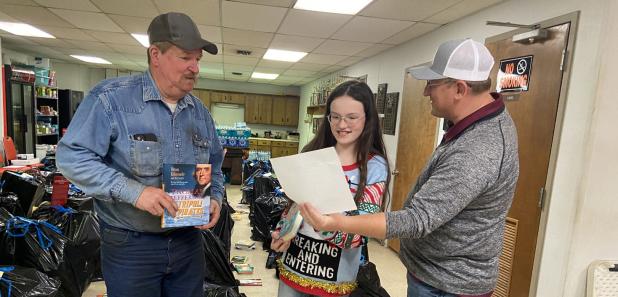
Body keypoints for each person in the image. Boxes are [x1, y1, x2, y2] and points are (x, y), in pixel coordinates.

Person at [299, 39, 520, 297]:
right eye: (336, 117)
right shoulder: (471, 124)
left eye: (432, 84)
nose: (426, 92)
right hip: (435, 274)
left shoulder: (478, 148)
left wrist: (335, 222)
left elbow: (417, 219)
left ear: (460, 89)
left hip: (448, 284)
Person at [56, 12, 224, 297]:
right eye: (185, 57)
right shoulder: (110, 100)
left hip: (187, 243)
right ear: (155, 54)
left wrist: (216, 197)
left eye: (198, 59)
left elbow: (216, 166)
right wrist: (135, 192)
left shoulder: (200, 113)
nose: (195, 68)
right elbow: (72, 157)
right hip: (130, 246)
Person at [270, 80, 391, 297]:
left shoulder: (374, 165)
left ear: (368, 118)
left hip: (335, 276)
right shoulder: (312, 152)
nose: (342, 124)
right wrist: (283, 231)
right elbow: (295, 205)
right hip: (295, 264)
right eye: (335, 117)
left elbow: (360, 230)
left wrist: (324, 225)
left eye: (352, 117)